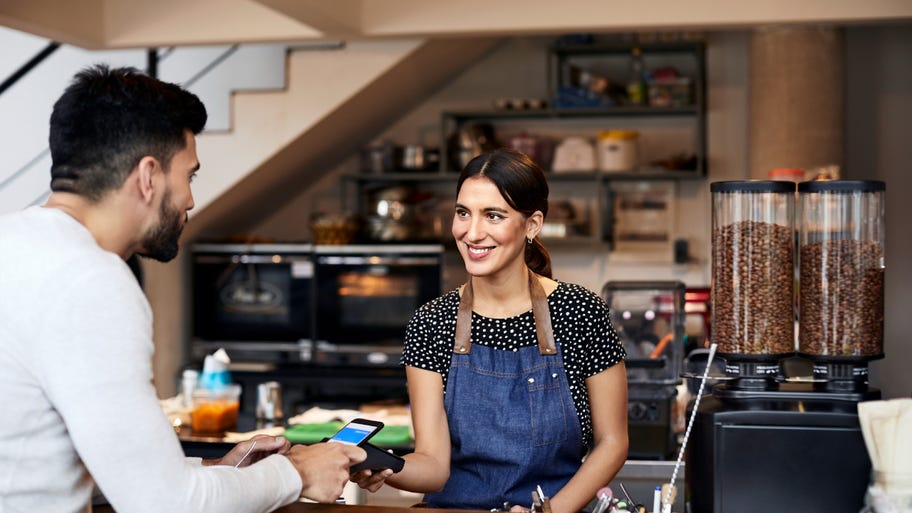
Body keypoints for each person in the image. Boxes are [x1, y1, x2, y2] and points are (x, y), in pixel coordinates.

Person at [0, 64, 365, 513]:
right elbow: (166, 504)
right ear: (149, 176)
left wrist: (218, 473)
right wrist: (299, 473)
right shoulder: (90, 280)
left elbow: (45, 462)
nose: (191, 199)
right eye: (188, 175)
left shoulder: (15, 243)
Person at [352, 148, 629, 513]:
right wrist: (388, 466)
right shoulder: (431, 322)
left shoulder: (579, 312)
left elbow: (612, 443)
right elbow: (433, 465)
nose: (472, 232)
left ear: (532, 225)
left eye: (493, 216)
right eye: (463, 213)